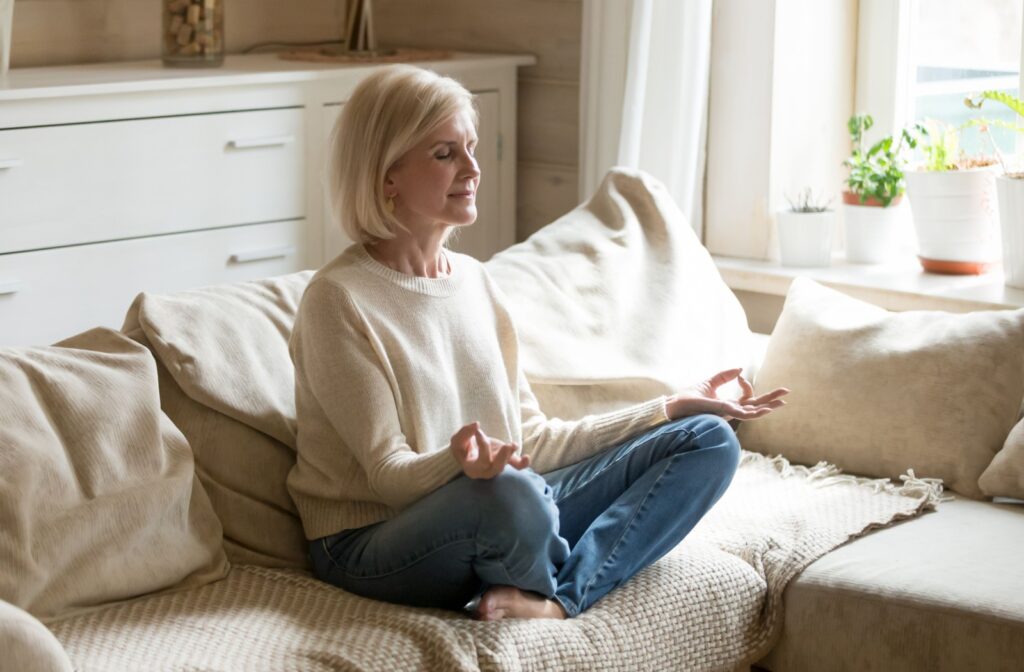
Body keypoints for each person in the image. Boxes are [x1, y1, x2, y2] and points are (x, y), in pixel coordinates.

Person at [287, 64, 789, 621]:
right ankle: (544, 565)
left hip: (496, 504)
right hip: (371, 540)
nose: (473, 168)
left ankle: (554, 599)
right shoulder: (338, 299)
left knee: (709, 440)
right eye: (445, 153)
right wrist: (460, 463)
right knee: (512, 495)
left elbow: (535, 439)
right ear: (387, 177)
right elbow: (388, 474)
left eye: (472, 147)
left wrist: (671, 406)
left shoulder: (477, 282)